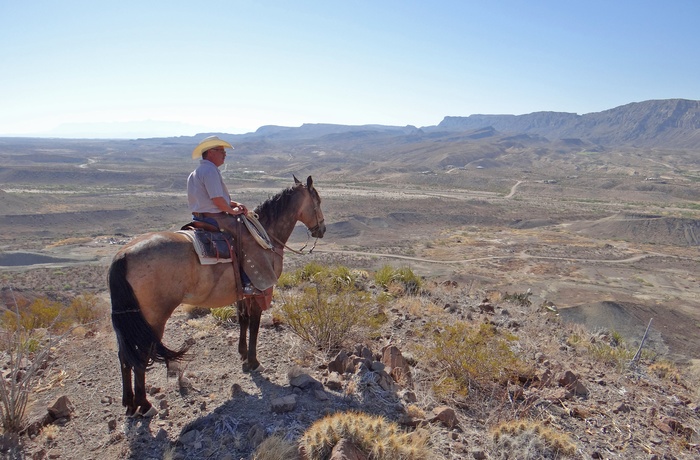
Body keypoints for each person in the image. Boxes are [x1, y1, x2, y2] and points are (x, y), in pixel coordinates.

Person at [187, 136, 275, 296]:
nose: (224, 154)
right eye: (221, 151)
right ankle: (248, 282)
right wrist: (231, 211)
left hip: (200, 217)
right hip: (215, 218)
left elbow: (214, 198)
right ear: (210, 152)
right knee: (249, 238)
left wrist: (233, 204)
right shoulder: (210, 171)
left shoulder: (197, 172)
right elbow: (217, 199)